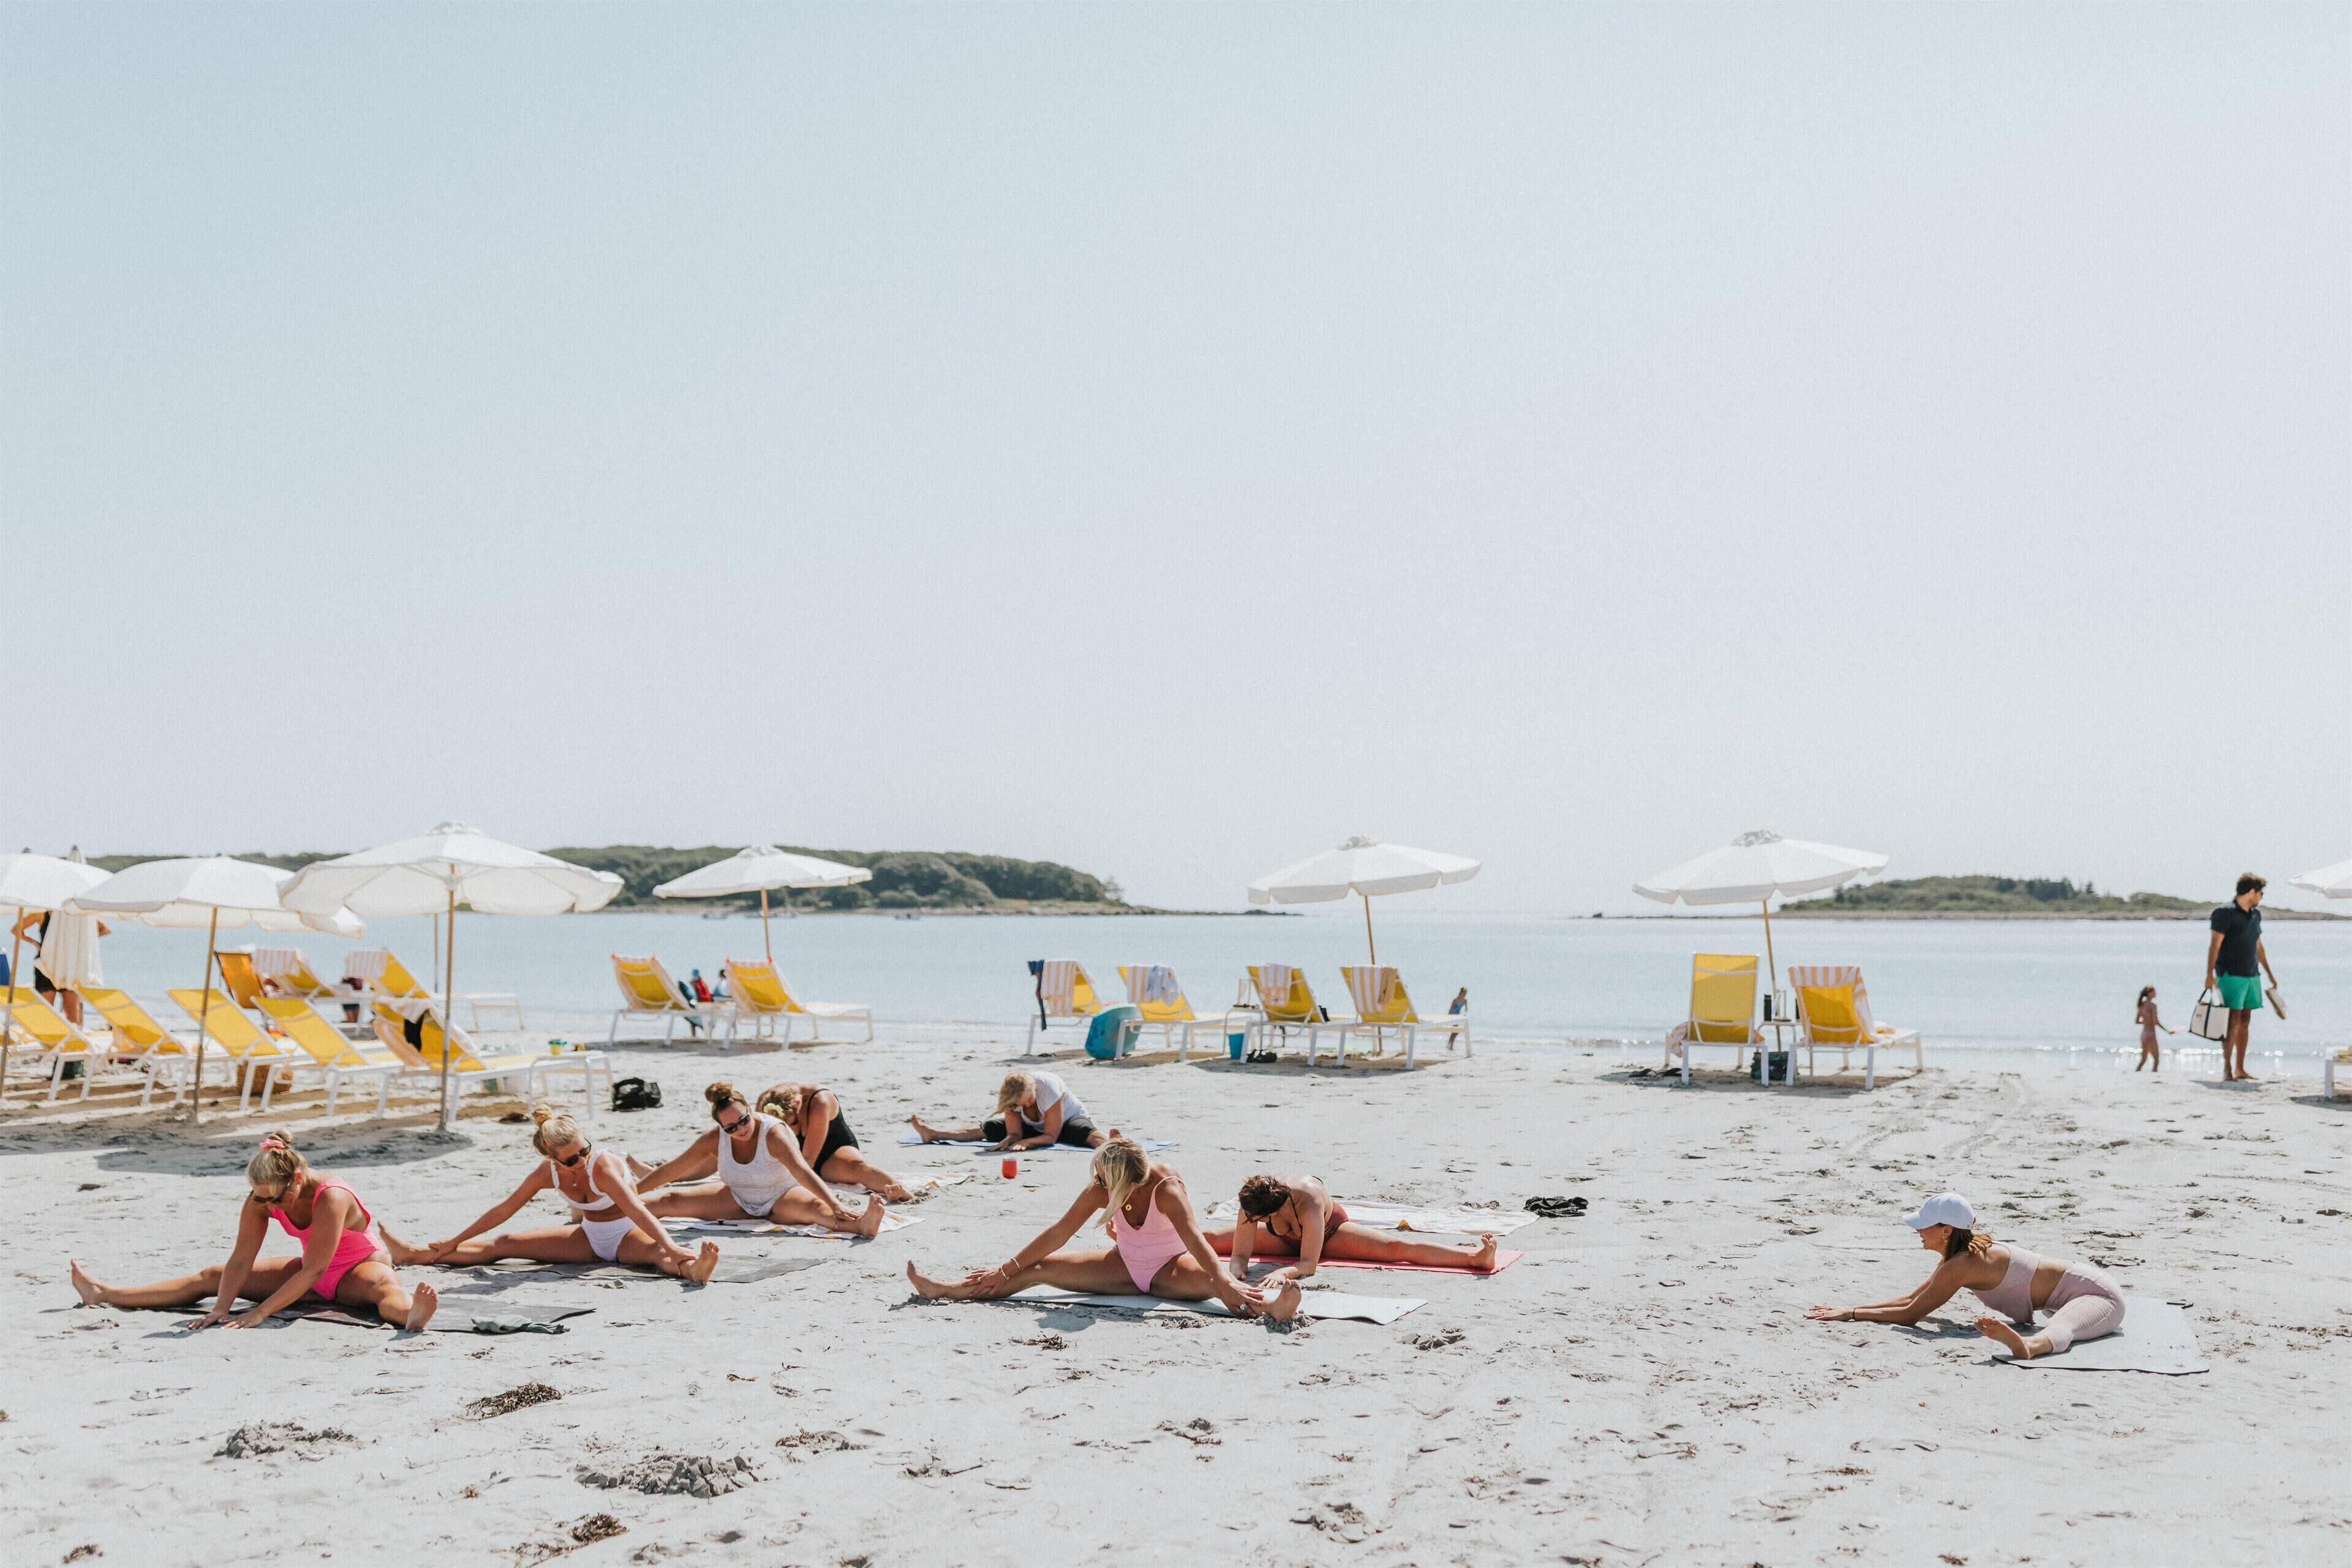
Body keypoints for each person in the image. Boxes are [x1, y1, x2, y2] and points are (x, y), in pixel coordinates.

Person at [67, 1132, 438, 1330]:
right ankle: (105, 1293)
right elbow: (242, 1258)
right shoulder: (263, 1199)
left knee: (384, 1289)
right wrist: (222, 1310)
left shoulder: (332, 1196)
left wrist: (260, 1312)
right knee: (212, 1276)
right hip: (310, 1273)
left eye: (275, 1199)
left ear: (296, 1178)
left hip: (358, 1266)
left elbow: (316, 1269)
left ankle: (411, 1316)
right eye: (262, 1199)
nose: (270, 1207)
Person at [905, 1134, 1299, 1320]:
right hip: (1123, 1267)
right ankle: (949, 1289)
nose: (1098, 1184)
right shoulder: (1103, 1186)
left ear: (1124, 1179)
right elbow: (1058, 1233)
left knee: (1222, 1284)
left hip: (1171, 1270)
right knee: (1037, 1270)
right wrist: (1005, 1269)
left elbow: (1197, 1242)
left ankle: (1274, 1309)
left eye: (1104, 1179)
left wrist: (1225, 1281)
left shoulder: (1167, 1189)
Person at [383, 1106, 720, 1283]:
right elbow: (504, 1210)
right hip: (588, 1237)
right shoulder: (548, 1173)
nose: (582, 1159)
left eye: (584, 1149)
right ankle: (413, 1254)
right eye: (572, 1158)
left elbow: (638, 1210)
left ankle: (695, 1269)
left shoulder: (601, 1166)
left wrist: (672, 1246)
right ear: (551, 1157)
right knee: (504, 1244)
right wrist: (456, 1239)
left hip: (627, 1233)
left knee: (662, 1258)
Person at [1805, 1192, 2124, 1362]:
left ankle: (2027, 1348)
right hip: (2072, 1291)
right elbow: (1912, 1299)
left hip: (2098, 1296)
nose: (1917, 1230)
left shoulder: (1963, 1264)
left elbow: (1910, 1315)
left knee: (2063, 1326)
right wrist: (1852, 1309)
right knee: (2061, 1319)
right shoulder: (1960, 1257)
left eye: (1924, 1225)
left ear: (1946, 1230)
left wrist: (1852, 1315)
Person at [634, 1082, 886, 1232]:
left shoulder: (773, 1133)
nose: (740, 1130)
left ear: (749, 1109)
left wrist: (835, 1203)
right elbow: (673, 1170)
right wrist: (632, 1192)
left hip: (781, 1196)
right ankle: (614, 1213)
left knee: (818, 1211)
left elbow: (803, 1171)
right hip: (737, 1197)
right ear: (722, 1128)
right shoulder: (716, 1138)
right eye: (731, 1128)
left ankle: (862, 1225)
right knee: (669, 1200)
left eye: (744, 1121)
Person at [1210, 1173, 1499, 1283]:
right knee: (1211, 1238)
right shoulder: (1253, 1202)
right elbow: (1241, 1252)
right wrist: (1237, 1267)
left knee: (1396, 1249)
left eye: (1258, 1220)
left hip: (1331, 1234)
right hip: (1286, 1239)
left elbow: (1309, 1264)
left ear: (1273, 1210)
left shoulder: (1307, 1198)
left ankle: (1475, 1258)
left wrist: (1284, 1271)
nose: (1250, 1221)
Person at [753, 1080, 913, 1200]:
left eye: (793, 1124)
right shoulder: (765, 1101)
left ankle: (897, 1190)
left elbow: (809, 1159)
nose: (789, 1129)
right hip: (792, 1152)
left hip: (832, 1150)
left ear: (798, 1103)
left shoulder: (819, 1101)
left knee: (857, 1168)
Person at [910, 1069, 1104, 1152]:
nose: (1027, 1105)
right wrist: (1011, 1140)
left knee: (1083, 1132)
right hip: (1036, 1129)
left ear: (1034, 1089)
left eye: (1029, 1100)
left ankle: (1114, 1144)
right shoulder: (1012, 1099)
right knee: (991, 1128)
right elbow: (1015, 1133)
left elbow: (1051, 1136)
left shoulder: (1048, 1087)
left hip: (1066, 1121)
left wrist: (1027, 1143)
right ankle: (933, 1133)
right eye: (1022, 1104)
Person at [2206, 873, 2279, 1082]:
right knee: (2232, 1021)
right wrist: (2208, 974)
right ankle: (2227, 1070)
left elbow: (2259, 947)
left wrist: (2270, 975)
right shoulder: (2224, 913)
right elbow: (2214, 945)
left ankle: (2240, 1068)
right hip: (2230, 975)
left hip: (2251, 975)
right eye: (2261, 893)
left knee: (2245, 1021)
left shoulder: (2256, 915)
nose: (2262, 897)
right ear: (2251, 892)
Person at [2134, 985, 2177, 1072]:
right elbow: (2156, 1022)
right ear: (2150, 993)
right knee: (2156, 1060)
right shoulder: (2152, 1005)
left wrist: (2146, 1022)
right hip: (2150, 1034)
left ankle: (2136, 1074)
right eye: (2154, 992)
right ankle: (2154, 1077)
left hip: (2143, 1035)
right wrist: (2168, 1031)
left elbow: (2137, 1021)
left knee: (2143, 1060)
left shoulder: (2141, 1005)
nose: (2156, 994)